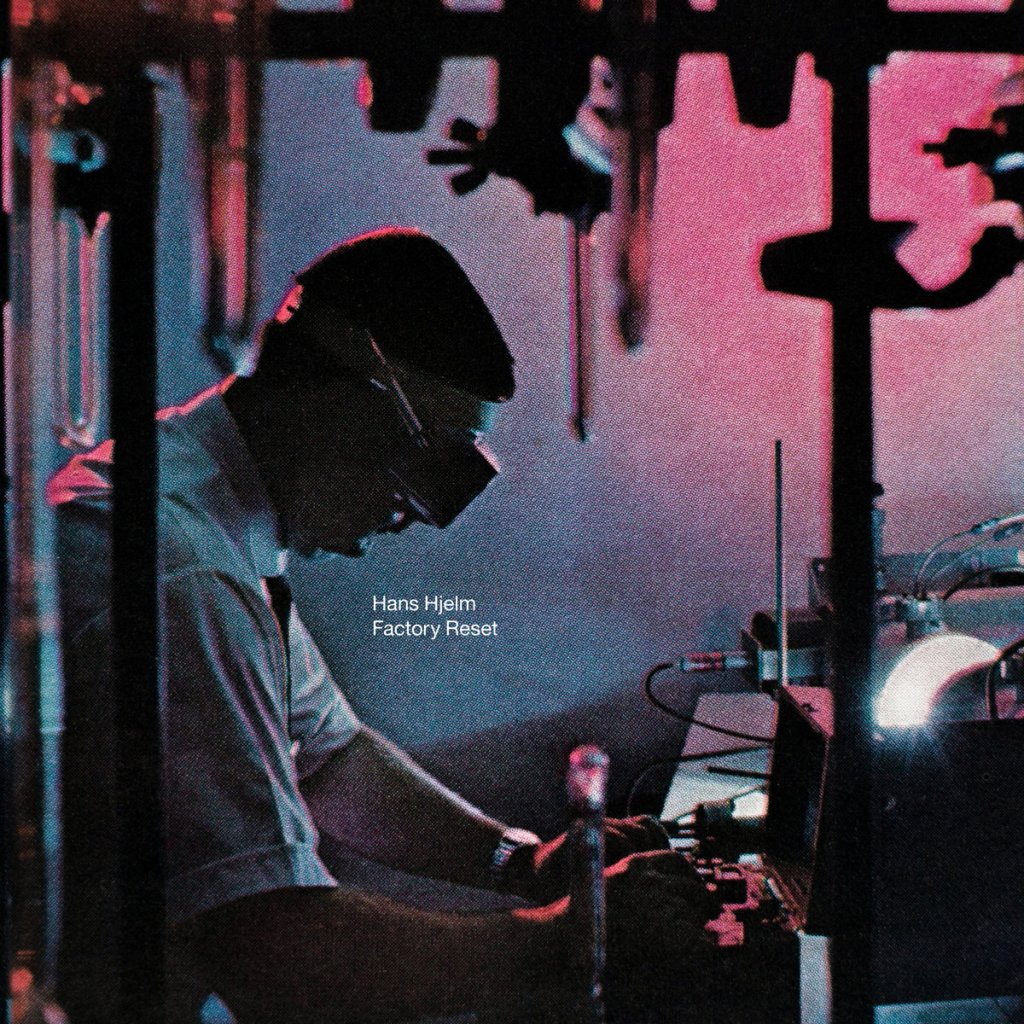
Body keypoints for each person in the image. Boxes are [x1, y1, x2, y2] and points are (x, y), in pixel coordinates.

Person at [49, 228, 716, 1024]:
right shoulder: (182, 571)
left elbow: (332, 759)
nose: (418, 514)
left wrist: (523, 861)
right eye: (428, 464)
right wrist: (568, 935)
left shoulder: (206, 507)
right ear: (343, 407)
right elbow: (277, 951)